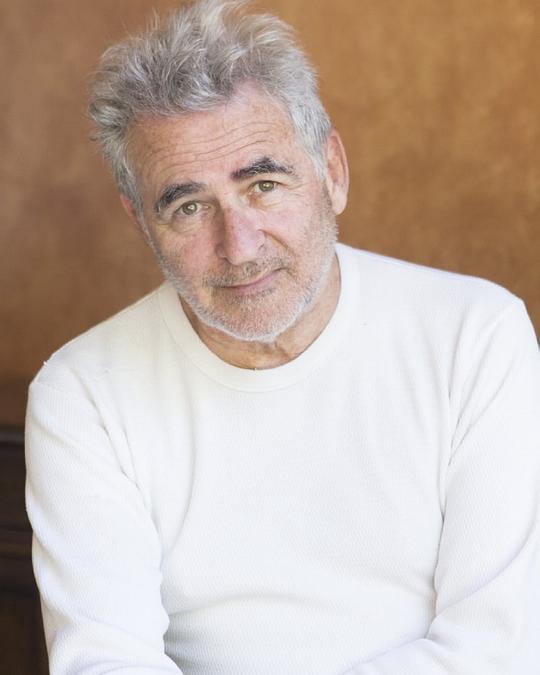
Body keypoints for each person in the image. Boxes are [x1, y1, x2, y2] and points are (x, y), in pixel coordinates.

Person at [25, 0, 540, 673]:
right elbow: (105, 661)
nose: (238, 247)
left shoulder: (476, 337)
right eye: (188, 206)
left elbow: (495, 650)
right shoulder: (82, 393)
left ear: (333, 173)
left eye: (264, 185)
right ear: (140, 221)